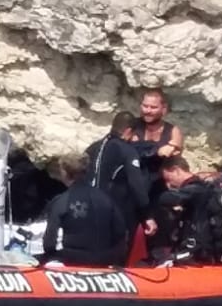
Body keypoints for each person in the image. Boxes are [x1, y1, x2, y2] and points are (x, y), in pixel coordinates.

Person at [42, 154, 130, 268]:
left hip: (72, 259)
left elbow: (49, 243)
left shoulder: (61, 201)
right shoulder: (106, 199)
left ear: (64, 173)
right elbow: (121, 233)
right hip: (105, 260)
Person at [85, 110, 152, 243]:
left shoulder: (93, 148)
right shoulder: (126, 151)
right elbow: (136, 184)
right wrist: (147, 215)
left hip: (88, 208)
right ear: (128, 131)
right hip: (115, 212)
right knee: (116, 255)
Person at [154, 156, 222, 263]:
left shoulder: (197, 189)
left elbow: (169, 198)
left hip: (198, 250)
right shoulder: (200, 188)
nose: (168, 185)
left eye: (168, 179)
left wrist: (152, 198)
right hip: (199, 247)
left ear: (176, 170)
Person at [122, 87, 184, 179]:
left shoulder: (173, 131)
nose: (147, 111)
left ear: (164, 109)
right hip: (132, 179)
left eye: (153, 107)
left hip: (158, 183)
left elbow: (174, 154)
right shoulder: (132, 126)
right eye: (145, 106)